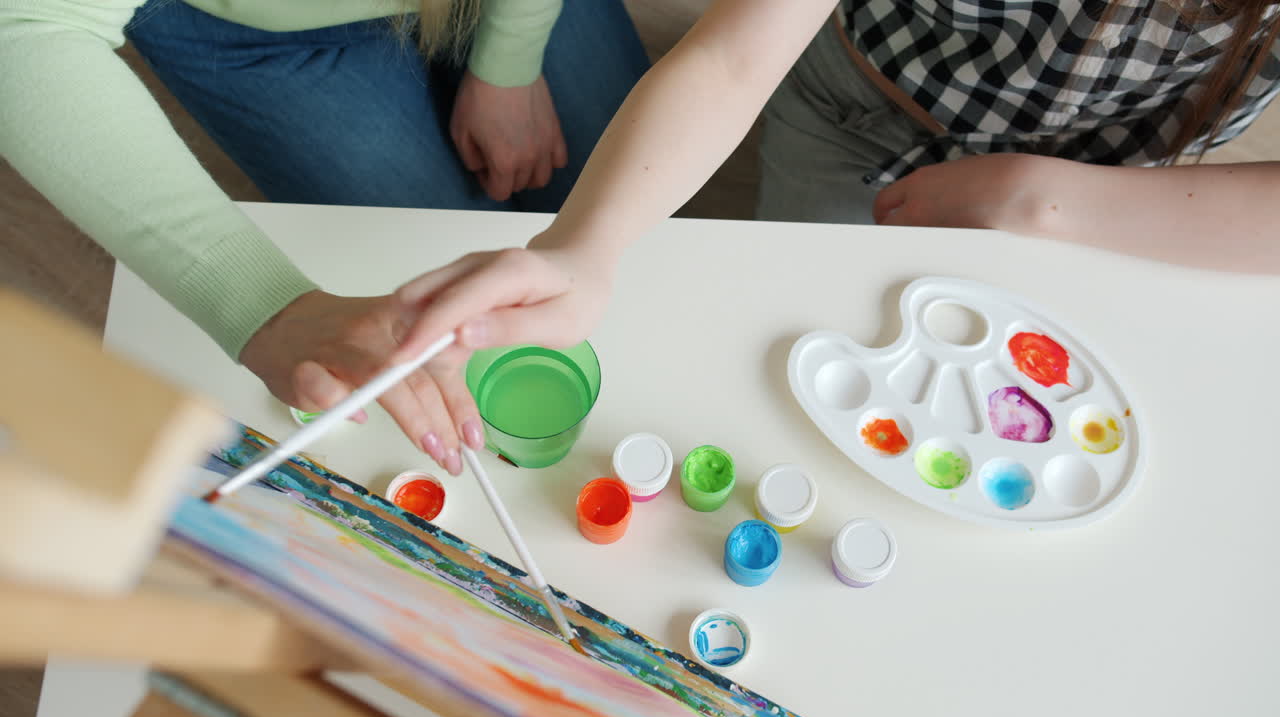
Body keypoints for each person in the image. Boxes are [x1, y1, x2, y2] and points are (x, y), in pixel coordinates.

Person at [381, 0, 1280, 474]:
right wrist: (586, 245)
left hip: (1121, 185)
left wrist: (1039, 198)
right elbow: (735, 55)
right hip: (852, 99)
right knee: (814, 384)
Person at [0, 0, 648, 476]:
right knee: (428, 243)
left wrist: (510, 59)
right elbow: (22, 27)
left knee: (625, 199)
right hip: (257, 29)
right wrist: (265, 307)